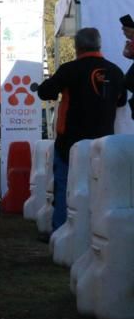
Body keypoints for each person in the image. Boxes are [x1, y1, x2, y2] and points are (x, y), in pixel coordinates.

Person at [37, 27, 126, 231]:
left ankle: (61, 233)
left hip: (70, 142)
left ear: (77, 47)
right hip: (104, 145)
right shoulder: (115, 71)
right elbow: (121, 101)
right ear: (99, 45)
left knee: (64, 187)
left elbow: (45, 92)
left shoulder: (69, 70)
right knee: (100, 190)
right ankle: (98, 232)